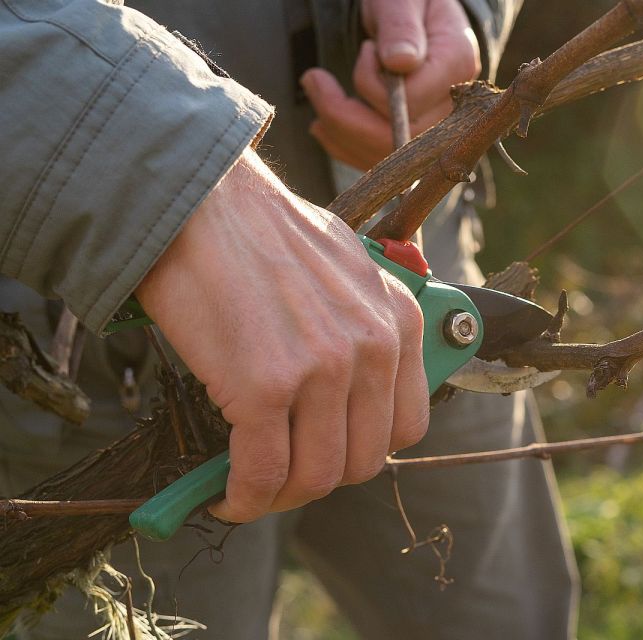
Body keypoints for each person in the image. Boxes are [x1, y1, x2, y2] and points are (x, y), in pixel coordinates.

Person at [0, 0, 578, 637]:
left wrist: (461, 12)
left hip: (413, 289)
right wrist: (167, 179)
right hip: (97, 286)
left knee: (506, 621)